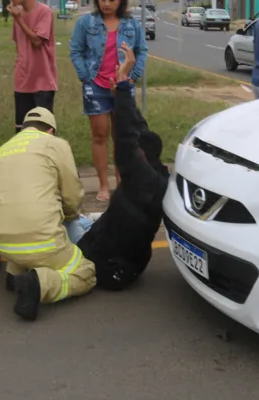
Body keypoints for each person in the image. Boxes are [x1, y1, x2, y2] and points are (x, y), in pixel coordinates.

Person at [0, 108, 96, 322]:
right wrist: (70, 218)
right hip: (40, 239)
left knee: (27, 240)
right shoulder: (56, 145)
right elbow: (72, 195)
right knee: (86, 272)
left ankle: (14, 272)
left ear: (23, 129)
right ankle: (39, 283)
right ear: (51, 130)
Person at [76, 43, 170, 291]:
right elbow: (138, 127)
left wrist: (124, 85)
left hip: (111, 267)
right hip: (127, 261)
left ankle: (35, 285)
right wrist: (122, 89)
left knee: (67, 261)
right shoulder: (159, 174)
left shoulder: (139, 178)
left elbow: (127, 134)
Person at [70, 0, 148, 202]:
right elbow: (76, 50)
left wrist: (132, 76)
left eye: (111, 0)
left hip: (122, 86)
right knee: (99, 135)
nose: (105, 3)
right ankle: (103, 184)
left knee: (122, 137)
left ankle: (121, 183)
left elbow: (141, 51)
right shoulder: (86, 22)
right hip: (95, 86)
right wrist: (86, 76)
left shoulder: (132, 24)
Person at [7, 0, 57, 134]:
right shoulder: (18, 14)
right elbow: (19, 43)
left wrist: (19, 20)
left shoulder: (44, 11)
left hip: (43, 80)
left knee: (44, 131)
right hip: (23, 79)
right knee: (22, 130)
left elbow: (37, 41)